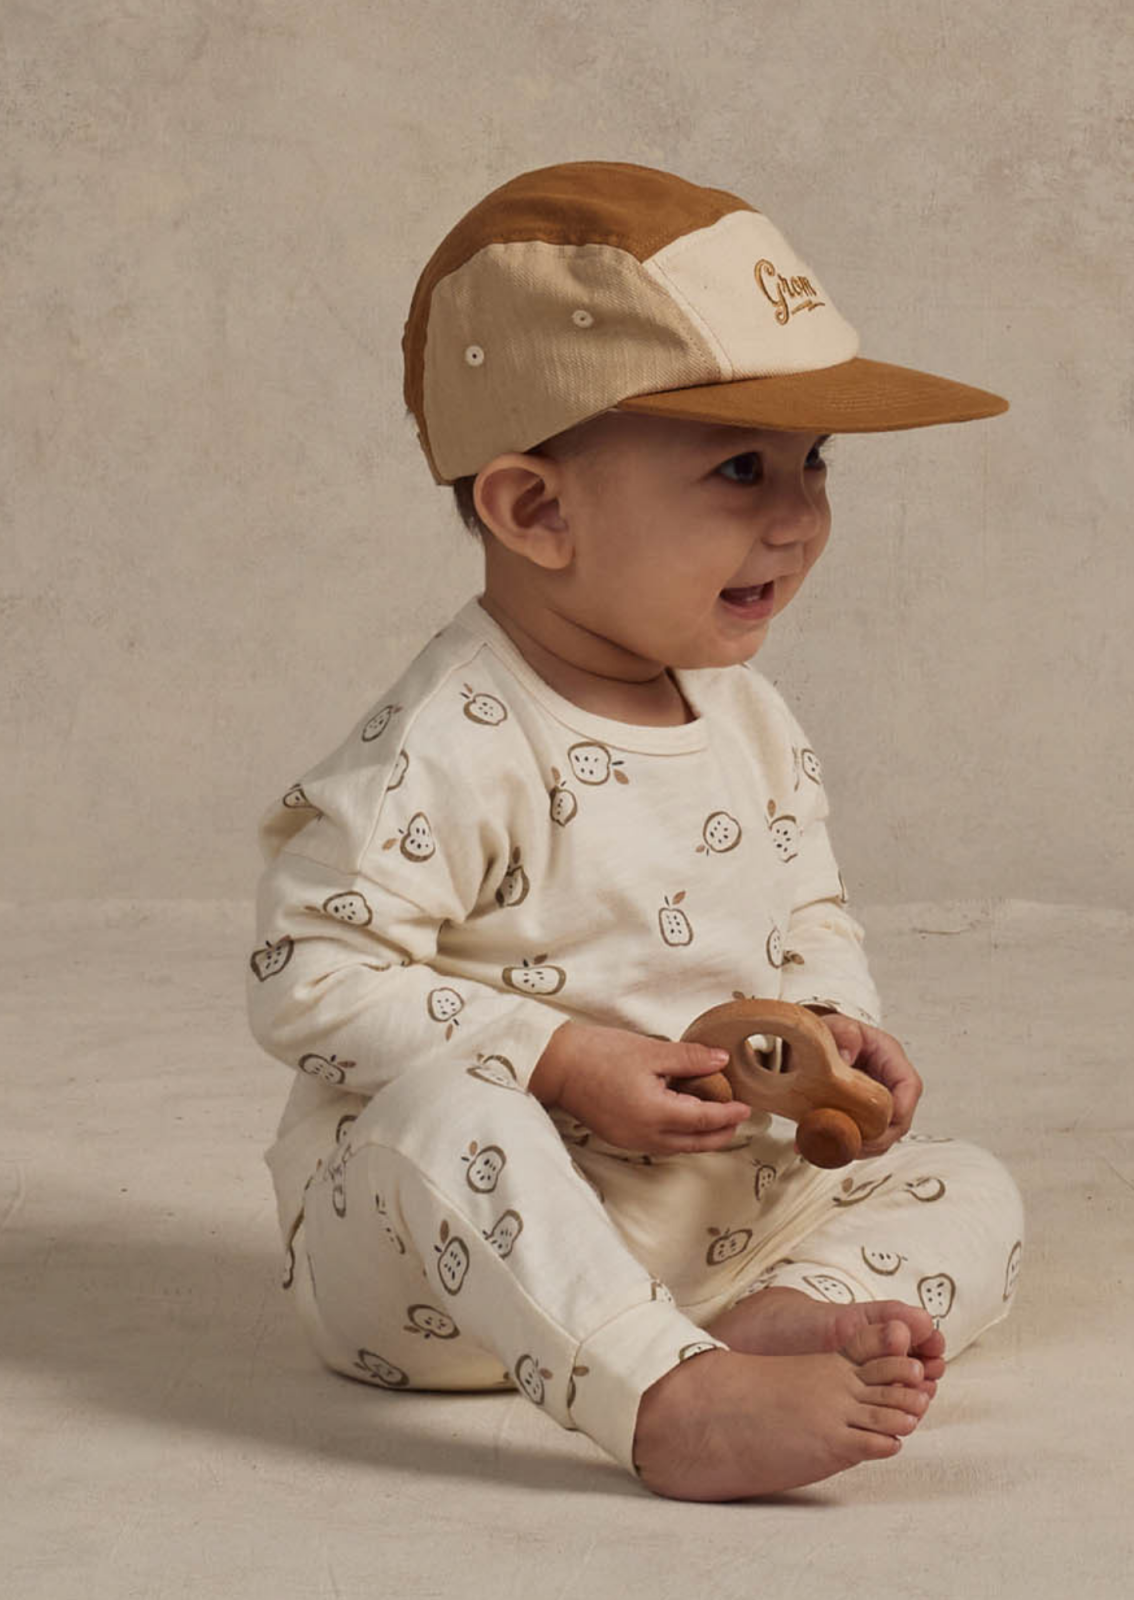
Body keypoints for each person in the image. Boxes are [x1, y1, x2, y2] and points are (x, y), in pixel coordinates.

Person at [245, 159, 1024, 1502]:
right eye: (739, 468)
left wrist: (832, 1027)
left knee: (975, 1188)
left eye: (812, 463)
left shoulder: (749, 714)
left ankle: (766, 1318)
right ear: (537, 510)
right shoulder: (451, 741)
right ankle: (666, 1398)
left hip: (711, 1210)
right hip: (449, 1260)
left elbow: (806, 907)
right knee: (444, 1114)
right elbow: (307, 976)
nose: (798, 516)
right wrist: (557, 1056)